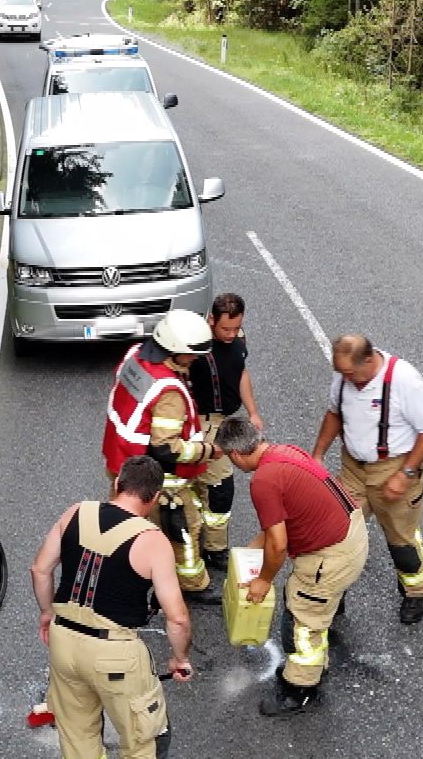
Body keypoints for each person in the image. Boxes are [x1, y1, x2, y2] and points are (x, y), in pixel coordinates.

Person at [30, 456, 198, 759]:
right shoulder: (152, 540)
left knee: (78, 732)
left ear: (118, 482)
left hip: (64, 641)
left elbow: (40, 570)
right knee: (142, 740)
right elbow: (176, 617)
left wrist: (48, 614)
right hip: (115, 652)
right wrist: (179, 659)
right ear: (154, 497)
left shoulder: (76, 512)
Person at [217, 419, 369, 716]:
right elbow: (278, 525)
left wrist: (262, 581)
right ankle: (312, 663)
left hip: (331, 557)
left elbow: (278, 545)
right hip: (350, 534)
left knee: (301, 621)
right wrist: (250, 552)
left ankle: (300, 688)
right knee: (306, 604)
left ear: (235, 455)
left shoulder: (264, 481)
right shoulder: (284, 453)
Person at [312, 335, 423, 624]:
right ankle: (334, 592)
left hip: (393, 471)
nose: (346, 379)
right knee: (338, 534)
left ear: (368, 360)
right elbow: (334, 413)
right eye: (341, 373)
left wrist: (406, 474)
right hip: (353, 470)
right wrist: (317, 454)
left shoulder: (404, 380)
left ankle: (415, 592)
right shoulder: (345, 378)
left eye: (350, 373)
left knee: (401, 541)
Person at [101, 309, 222, 605]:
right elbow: (166, 448)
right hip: (157, 475)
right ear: (176, 351)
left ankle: (115, 572)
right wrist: (207, 450)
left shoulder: (136, 355)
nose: (193, 361)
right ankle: (191, 582)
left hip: (122, 461)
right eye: (191, 356)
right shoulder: (169, 392)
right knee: (185, 526)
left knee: (124, 522)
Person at [187, 293, 264, 571]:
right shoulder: (194, 349)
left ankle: (205, 543)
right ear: (211, 321)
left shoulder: (238, 340)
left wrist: (253, 412)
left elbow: (241, 372)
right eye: (225, 329)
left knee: (210, 487)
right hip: (202, 423)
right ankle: (214, 550)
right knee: (220, 487)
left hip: (224, 420)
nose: (231, 334)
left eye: (236, 328)